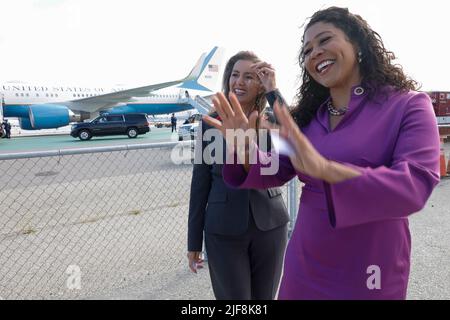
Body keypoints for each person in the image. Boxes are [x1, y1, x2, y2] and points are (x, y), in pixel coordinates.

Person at [203, 7, 440, 299]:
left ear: (358, 45)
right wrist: (244, 151)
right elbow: (275, 170)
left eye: (324, 40)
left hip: (369, 267)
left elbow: (414, 186)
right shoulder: (309, 119)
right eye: (307, 50)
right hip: (305, 262)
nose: (314, 52)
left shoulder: (409, 106)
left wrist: (326, 169)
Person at [187, 51, 289, 300]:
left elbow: (293, 137)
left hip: (270, 225)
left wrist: (274, 90)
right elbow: (201, 181)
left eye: (249, 77)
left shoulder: (272, 119)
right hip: (223, 229)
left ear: (261, 84)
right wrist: (193, 241)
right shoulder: (211, 122)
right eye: (235, 75)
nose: (239, 82)